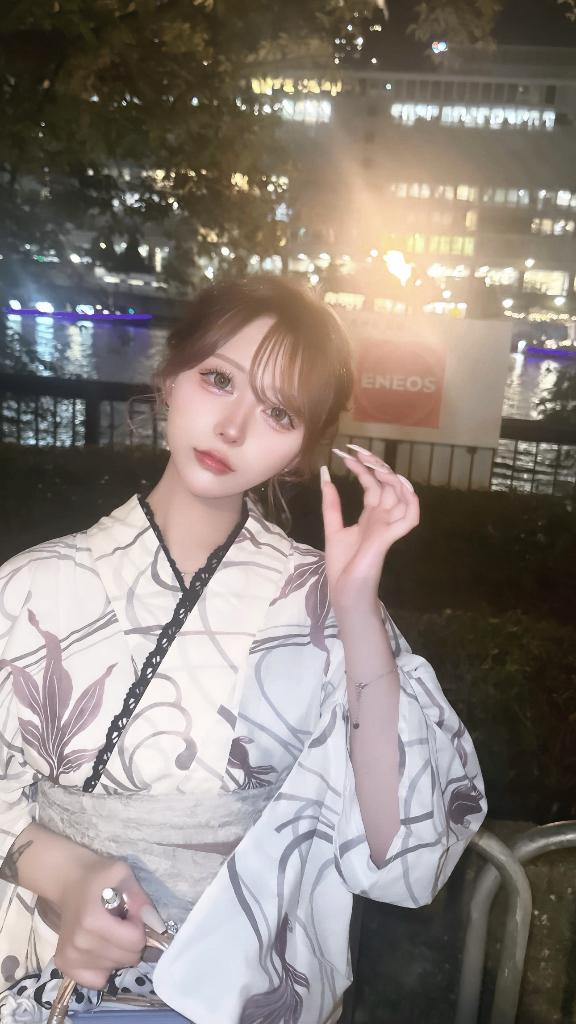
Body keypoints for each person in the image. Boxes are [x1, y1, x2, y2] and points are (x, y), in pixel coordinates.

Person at [0, 277, 486, 1024]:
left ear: (300, 449)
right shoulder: (33, 584)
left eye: (278, 412)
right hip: (55, 975)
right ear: (170, 378)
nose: (232, 428)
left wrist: (358, 613)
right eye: (219, 380)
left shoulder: (323, 601)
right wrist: (65, 873)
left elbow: (399, 856)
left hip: (250, 993)